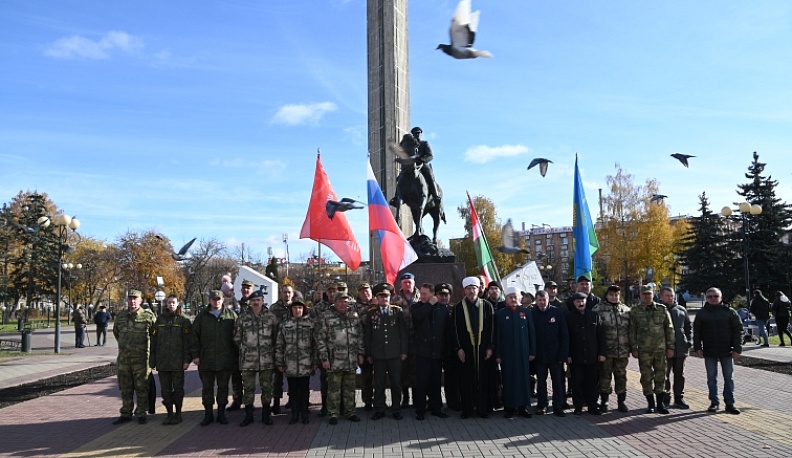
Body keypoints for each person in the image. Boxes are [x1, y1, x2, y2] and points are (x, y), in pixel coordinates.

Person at [190, 290, 238, 426]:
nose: (216, 301)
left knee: (223, 388)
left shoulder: (231, 315)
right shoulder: (202, 316)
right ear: (209, 300)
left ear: (223, 300)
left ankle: (221, 413)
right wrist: (195, 355)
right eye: (213, 299)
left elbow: (238, 337)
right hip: (206, 359)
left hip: (225, 359)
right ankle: (208, 414)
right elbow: (194, 337)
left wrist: (235, 356)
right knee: (207, 388)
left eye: (218, 299)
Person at [316, 292, 364, 425]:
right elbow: (320, 340)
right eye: (341, 301)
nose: (344, 304)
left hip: (350, 359)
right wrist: (324, 359)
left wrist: (360, 353)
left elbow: (360, 336)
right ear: (335, 302)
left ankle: (350, 412)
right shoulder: (326, 317)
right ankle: (333, 413)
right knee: (334, 389)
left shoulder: (353, 316)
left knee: (350, 388)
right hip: (334, 360)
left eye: (346, 301)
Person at [694, 287, 743, 414]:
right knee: (711, 378)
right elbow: (697, 332)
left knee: (729, 378)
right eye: (710, 296)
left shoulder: (730, 312)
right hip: (709, 351)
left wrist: (737, 348)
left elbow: (738, 330)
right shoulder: (702, 313)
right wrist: (697, 347)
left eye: (715, 296)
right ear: (706, 298)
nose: (713, 298)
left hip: (727, 351)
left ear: (721, 297)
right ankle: (714, 403)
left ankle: (730, 403)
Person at [234, 289, 279, 426]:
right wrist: (245, 349)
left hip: (266, 360)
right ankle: (249, 415)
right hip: (248, 360)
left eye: (258, 300)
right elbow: (237, 337)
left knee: (267, 388)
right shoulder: (243, 317)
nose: (255, 303)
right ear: (250, 302)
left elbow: (276, 337)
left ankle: (266, 415)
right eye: (253, 300)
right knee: (248, 388)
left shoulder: (271, 317)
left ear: (262, 301)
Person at [112, 289, 156, 424]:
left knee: (142, 388)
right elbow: (116, 333)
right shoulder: (120, 317)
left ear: (140, 300)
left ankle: (141, 413)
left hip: (142, 361)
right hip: (124, 360)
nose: (132, 301)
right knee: (125, 388)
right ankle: (126, 413)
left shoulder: (148, 317)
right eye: (130, 299)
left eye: (135, 298)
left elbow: (155, 337)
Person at [629, 285, 675, 414]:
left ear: (653, 294)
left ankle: (660, 404)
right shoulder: (635, 311)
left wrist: (671, 347)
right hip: (644, 351)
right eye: (644, 294)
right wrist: (634, 348)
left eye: (649, 294)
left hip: (660, 350)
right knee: (646, 377)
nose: (647, 296)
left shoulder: (662, 309)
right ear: (640, 295)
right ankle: (650, 403)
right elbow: (632, 331)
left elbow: (669, 329)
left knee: (661, 376)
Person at [365, 282, 408, 421]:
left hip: (395, 354)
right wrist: (368, 353)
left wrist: (403, 351)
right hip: (378, 355)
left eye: (386, 297)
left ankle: (396, 409)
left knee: (396, 383)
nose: (384, 299)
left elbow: (403, 333)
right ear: (376, 298)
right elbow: (368, 335)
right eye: (381, 297)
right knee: (379, 383)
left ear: (390, 298)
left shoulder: (397, 311)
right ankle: (380, 409)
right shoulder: (371, 313)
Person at [150, 294, 192, 425]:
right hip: (163, 363)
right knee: (165, 390)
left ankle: (178, 414)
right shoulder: (160, 320)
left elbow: (188, 342)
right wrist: (153, 361)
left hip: (178, 362)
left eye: (173, 302)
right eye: (169, 302)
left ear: (178, 303)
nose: (171, 304)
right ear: (166, 304)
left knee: (178, 390)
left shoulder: (184, 320)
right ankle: (169, 414)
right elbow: (154, 341)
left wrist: (187, 360)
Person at [411, 282, 451, 420]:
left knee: (435, 382)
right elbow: (419, 316)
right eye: (421, 293)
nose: (421, 296)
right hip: (422, 352)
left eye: (424, 294)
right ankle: (420, 410)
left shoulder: (443, 309)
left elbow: (446, 331)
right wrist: (429, 304)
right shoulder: (416, 307)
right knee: (422, 382)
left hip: (437, 352)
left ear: (432, 294)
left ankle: (436, 408)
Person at [495, 286, 536, 418]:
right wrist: (498, 355)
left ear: (520, 298)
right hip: (507, 354)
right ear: (506, 299)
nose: (513, 299)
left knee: (523, 379)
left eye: (515, 297)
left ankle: (523, 407)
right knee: (508, 379)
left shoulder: (526, 312)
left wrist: (532, 351)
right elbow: (497, 336)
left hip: (523, 353)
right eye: (510, 297)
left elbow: (532, 334)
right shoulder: (500, 314)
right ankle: (509, 408)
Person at [275, 298, 317, 425]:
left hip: (305, 363)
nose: (297, 310)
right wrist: (279, 362)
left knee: (304, 390)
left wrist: (315, 362)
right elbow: (279, 345)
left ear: (304, 309)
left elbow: (316, 345)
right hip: (290, 364)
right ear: (291, 309)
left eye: (300, 308)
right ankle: (294, 414)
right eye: (294, 308)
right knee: (292, 390)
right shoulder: (285, 324)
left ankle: (304, 413)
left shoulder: (311, 324)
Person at [592, 285, 631, 413]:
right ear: (606, 295)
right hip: (606, 352)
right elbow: (594, 332)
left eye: (616, 295)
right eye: (611, 295)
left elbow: (631, 331)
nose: (614, 297)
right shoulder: (598, 310)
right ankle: (604, 401)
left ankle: (621, 402)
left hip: (622, 351)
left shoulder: (626, 310)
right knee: (605, 377)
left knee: (621, 376)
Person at [566, 292, 606, 415]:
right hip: (576, 357)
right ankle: (578, 407)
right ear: (574, 303)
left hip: (592, 357)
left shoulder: (594, 316)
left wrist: (602, 353)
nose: (580, 303)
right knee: (577, 383)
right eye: (577, 301)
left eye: (582, 301)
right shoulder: (568, 317)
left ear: (586, 302)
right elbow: (565, 337)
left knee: (592, 383)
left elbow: (601, 336)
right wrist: (567, 354)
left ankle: (592, 406)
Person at [531, 290, 569, 417]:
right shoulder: (531, 313)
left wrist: (563, 354)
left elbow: (564, 335)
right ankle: (542, 405)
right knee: (541, 382)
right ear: (536, 301)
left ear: (548, 299)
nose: (542, 302)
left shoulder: (557, 312)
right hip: (540, 355)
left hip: (556, 355)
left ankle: (558, 406)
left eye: (544, 300)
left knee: (557, 381)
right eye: (539, 300)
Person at [659, 286, 692, 409]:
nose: (670, 298)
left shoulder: (681, 309)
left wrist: (689, 341)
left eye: (672, 295)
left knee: (679, 374)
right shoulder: (658, 310)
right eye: (667, 295)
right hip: (664, 350)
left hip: (681, 349)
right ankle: (665, 399)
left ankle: (679, 398)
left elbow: (688, 327)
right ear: (661, 296)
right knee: (664, 375)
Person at [390, 126, 438, 205]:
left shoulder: (424, 144)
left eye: (419, 133)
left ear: (421, 134)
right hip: (411, 165)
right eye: (415, 134)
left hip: (422, 165)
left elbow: (430, 156)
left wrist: (423, 160)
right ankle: (396, 197)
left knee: (429, 175)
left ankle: (436, 195)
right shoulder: (410, 144)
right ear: (413, 135)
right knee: (401, 177)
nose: (417, 135)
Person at [391, 272, 418, 408]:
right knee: (403, 371)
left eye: (410, 282)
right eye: (405, 282)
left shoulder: (421, 296)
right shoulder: (395, 299)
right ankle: (405, 398)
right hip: (401, 341)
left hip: (417, 340)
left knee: (416, 370)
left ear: (414, 283)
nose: (407, 284)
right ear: (401, 284)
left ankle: (416, 397)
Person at [226, 278, 254, 412]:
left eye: (248, 288)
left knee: (249, 377)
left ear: (252, 290)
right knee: (236, 375)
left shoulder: (255, 305)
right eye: (243, 288)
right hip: (236, 347)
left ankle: (250, 401)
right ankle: (237, 400)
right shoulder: (234, 304)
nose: (246, 290)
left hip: (250, 347)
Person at [312, 281, 337, 417]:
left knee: (339, 381)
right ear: (326, 293)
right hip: (323, 350)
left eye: (334, 291)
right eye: (330, 291)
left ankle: (339, 406)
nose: (332, 294)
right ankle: (325, 406)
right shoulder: (318, 308)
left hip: (339, 352)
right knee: (325, 381)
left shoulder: (343, 306)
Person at [268, 285, 292, 415]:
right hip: (277, 347)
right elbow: (268, 326)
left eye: (289, 292)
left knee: (293, 377)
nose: (287, 295)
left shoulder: (296, 307)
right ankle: (276, 403)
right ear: (281, 293)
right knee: (277, 377)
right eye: (285, 292)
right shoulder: (274, 308)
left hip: (292, 348)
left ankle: (292, 400)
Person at [355, 283, 376, 411]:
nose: (365, 293)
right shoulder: (355, 307)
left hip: (378, 347)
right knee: (366, 377)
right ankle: (367, 401)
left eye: (367, 291)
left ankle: (380, 401)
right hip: (364, 347)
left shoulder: (379, 303)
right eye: (362, 291)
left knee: (379, 377)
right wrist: (360, 352)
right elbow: (360, 324)